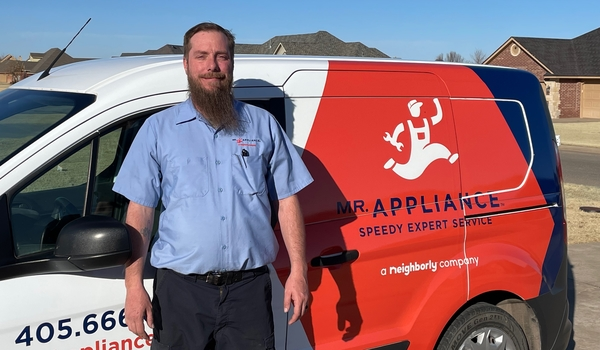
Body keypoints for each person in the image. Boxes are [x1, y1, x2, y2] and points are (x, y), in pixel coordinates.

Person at [112, 22, 313, 350]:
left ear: (232, 63)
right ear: (186, 64)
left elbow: (288, 200)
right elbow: (141, 212)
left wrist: (298, 272)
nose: (212, 66)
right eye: (202, 56)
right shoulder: (158, 130)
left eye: (221, 57)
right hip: (180, 294)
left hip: (248, 292)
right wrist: (133, 286)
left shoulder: (263, 125)